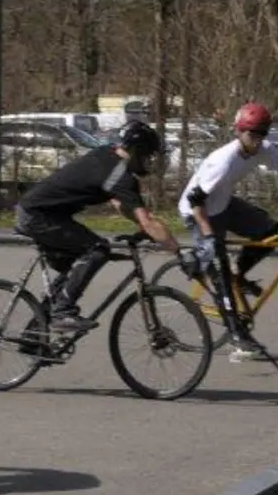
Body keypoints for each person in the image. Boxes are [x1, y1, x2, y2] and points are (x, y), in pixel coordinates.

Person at [177, 101, 278, 360]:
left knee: (269, 231)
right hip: (199, 211)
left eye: (262, 133)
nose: (257, 140)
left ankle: (238, 275)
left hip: (224, 203)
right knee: (219, 271)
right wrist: (208, 238)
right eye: (251, 134)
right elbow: (196, 202)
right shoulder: (223, 161)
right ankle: (238, 335)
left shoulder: (265, 149)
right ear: (239, 132)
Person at [14, 120, 181, 334]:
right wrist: (178, 251)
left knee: (74, 270)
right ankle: (62, 313)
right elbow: (147, 220)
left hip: (42, 213)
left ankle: (34, 334)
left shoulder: (107, 156)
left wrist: (141, 225)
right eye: (148, 155)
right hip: (37, 216)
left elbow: (119, 203)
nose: (150, 161)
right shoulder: (121, 176)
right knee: (97, 249)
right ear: (138, 151)